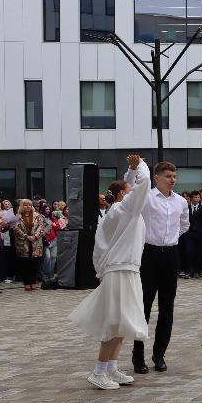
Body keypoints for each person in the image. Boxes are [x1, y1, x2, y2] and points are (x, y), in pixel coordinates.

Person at [69, 155, 151, 390]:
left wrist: (131, 171)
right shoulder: (122, 211)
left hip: (127, 269)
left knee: (124, 322)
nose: (133, 190)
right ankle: (99, 370)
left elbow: (135, 186)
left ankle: (111, 367)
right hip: (121, 270)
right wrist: (139, 167)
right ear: (122, 195)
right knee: (115, 322)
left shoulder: (121, 212)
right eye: (129, 189)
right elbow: (142, 186)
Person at [130, 161, 189, 375]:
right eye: (167, 176)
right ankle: (138, 356)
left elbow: (184, 225)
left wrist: (170, 239)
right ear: (156, 178)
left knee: (167, 307)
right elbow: (130, 193)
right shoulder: (146, 198)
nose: (172, 180)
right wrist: (134, 170)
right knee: (143, 306)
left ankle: (159, 353)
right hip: (149, 254)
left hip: (170, 255)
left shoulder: (181, 201)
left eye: (174, 176)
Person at [12, 199, 47, 291]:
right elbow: (16, 229)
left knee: (35, 264)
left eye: (29, 205)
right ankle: (27, 283)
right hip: (23, 243)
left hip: (36, 243)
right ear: (21, 206)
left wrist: (35, 236)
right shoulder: (17, 217)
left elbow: (41, 227)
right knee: (25, 264)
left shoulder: (38, 216)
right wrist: (26, 236)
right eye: (25, 205)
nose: (27, 207)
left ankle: (34, 281)